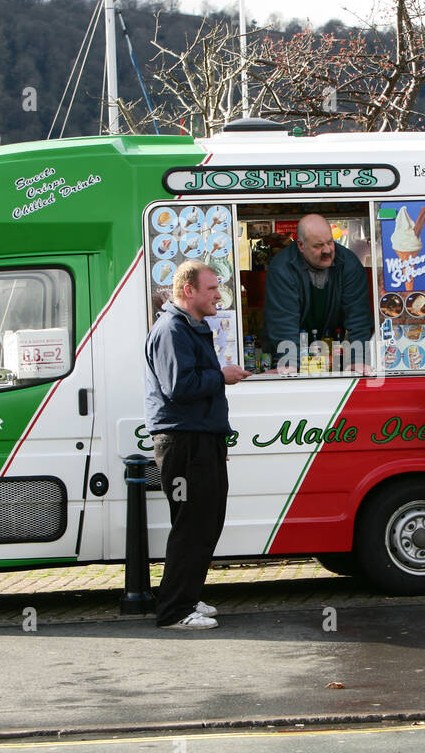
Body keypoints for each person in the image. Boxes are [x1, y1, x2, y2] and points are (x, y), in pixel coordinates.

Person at [144, 261, 250, 630]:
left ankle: (184, 596)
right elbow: (179, 387)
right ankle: (174, 611)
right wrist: (221, 376)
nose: (218, 295)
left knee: (202, 522)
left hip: (198, 438)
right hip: (185, 441)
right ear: (188, 291)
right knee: (193, 524)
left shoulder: (186, 326)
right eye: (211, 288)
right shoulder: (173, 329)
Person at [262, 213, 373, 370]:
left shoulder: (349, 264)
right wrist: (290, 364)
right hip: (293, 347)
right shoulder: (282, 268)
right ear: (301, 245)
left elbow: (358, 317)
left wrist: (358, 359)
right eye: (318, 246)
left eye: (330, 242)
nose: (327, 250)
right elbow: (283, 322)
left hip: (333, 350)